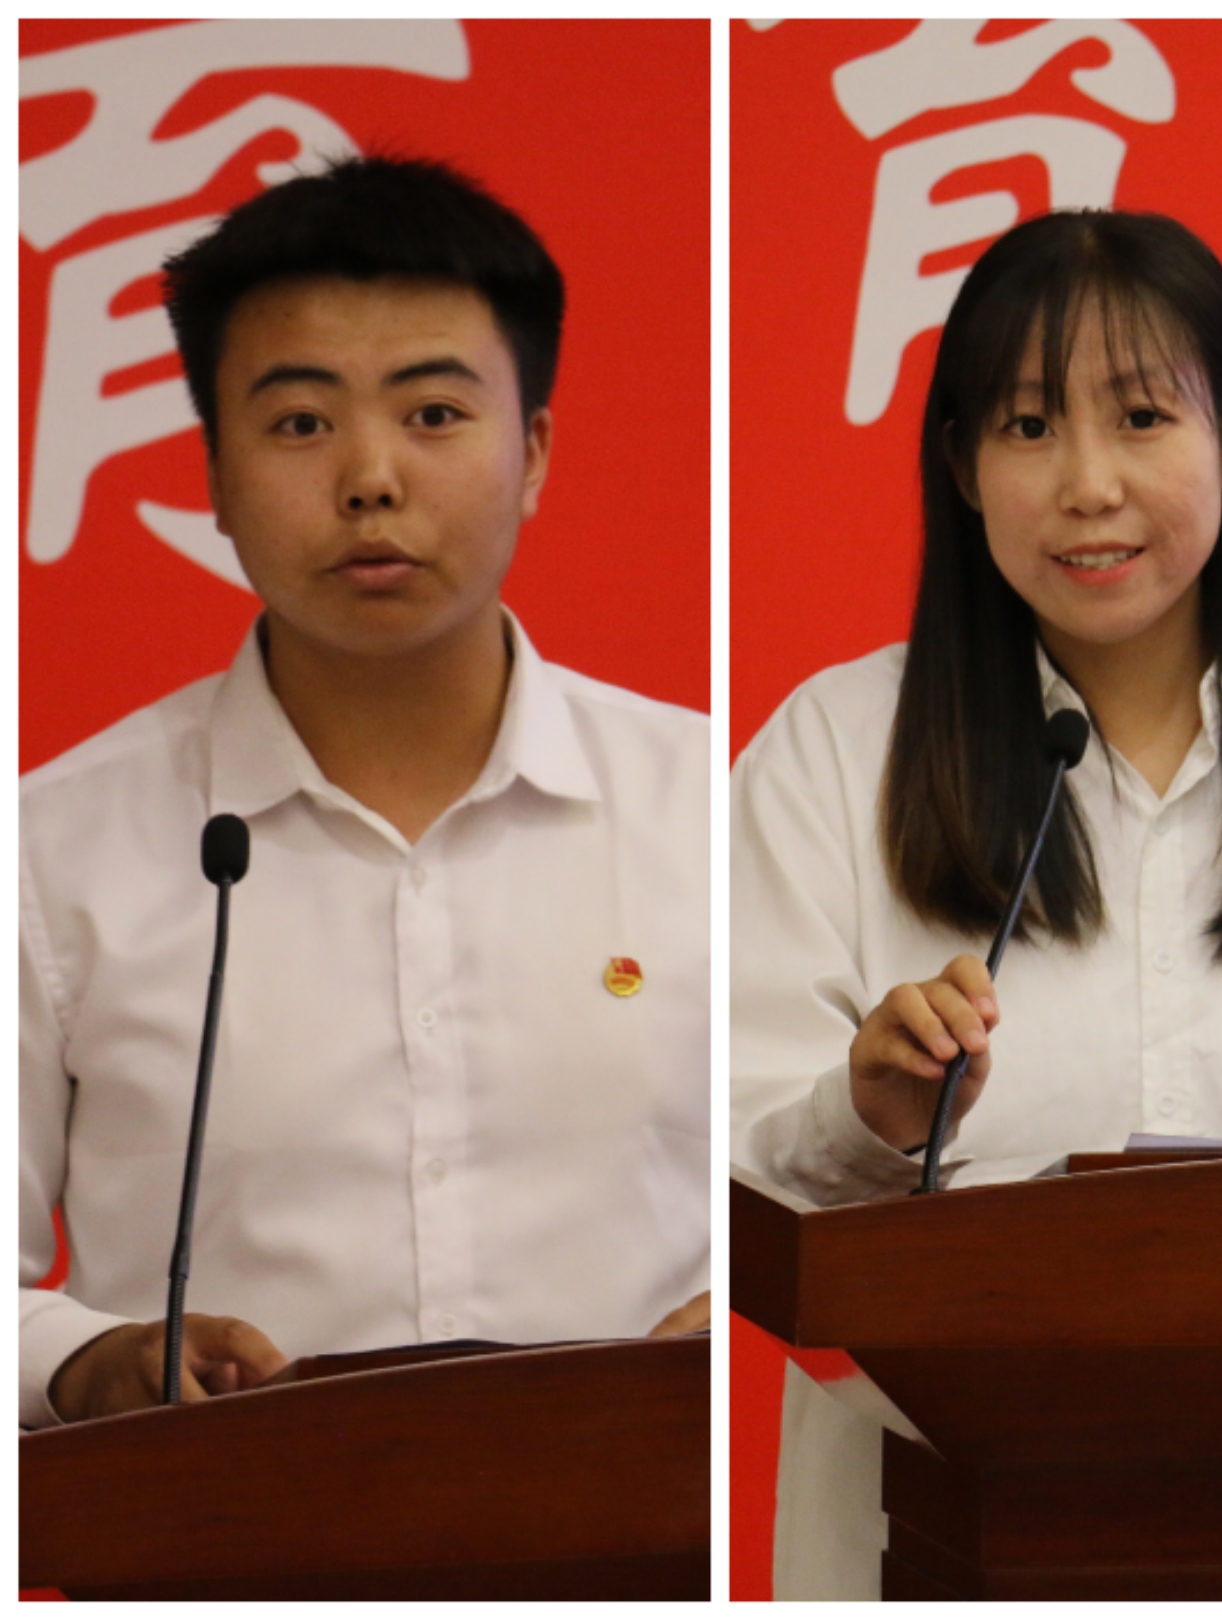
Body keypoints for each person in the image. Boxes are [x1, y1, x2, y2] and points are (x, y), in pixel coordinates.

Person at [731, 210, 1222, 1596]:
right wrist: (863, 1115)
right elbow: (728, 1172)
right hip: (937, 1528)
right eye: (1031, 426)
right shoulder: (835, 750)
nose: (1089, 484)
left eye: (1143, 417)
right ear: (962, 466)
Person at [19, 155, 711, 1429]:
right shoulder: (51, 849)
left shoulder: (704, 809)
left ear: (534, 451)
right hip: (212, 1526)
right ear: (215, 475)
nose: (370, 478)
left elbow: (819, 1173)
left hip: (635, 1516)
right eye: (300, 424)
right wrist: (84, 1361)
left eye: (433, 414)